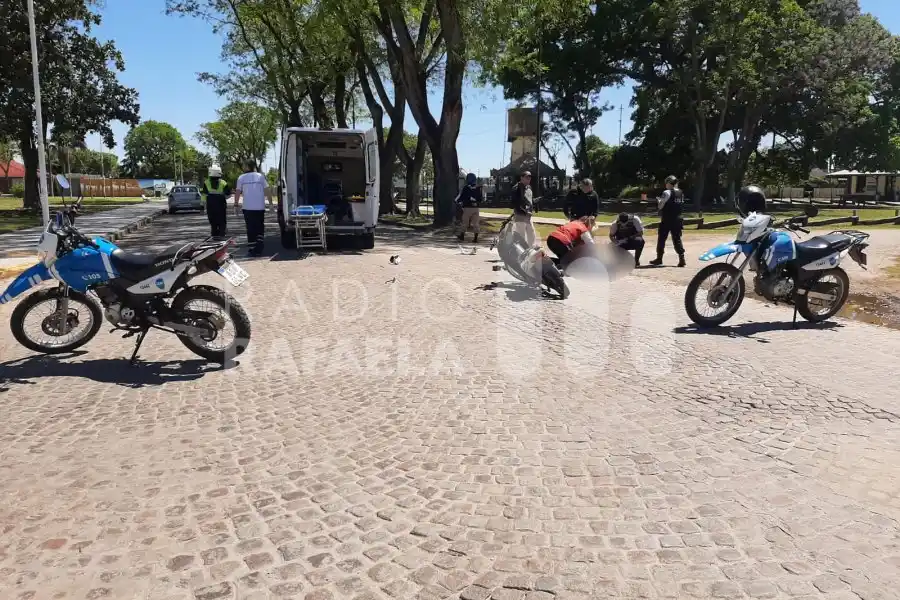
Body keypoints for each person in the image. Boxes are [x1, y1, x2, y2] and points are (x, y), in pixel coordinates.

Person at [650, 175, 686, 267]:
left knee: (662, 239)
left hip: (667, 219)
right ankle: (682, 259)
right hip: (678, 219)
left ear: (669, 183)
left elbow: (660, 206)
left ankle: (659, 259)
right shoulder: (681, 192)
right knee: (677, 239)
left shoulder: (666, 192)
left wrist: (659, 201)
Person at [234, 160, 268, 256]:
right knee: (260, 227)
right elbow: (267, 190)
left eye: (245, 165)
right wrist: (270, 204)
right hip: (260, 208)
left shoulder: (241, 178)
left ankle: (252, 249)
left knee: (250, 228)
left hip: (248, 208)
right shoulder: (260, 176)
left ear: (248, 167)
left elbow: (237, 192)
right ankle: (259, 248)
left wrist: (236, 205)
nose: (244, 167)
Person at [201, 164, 231, 239]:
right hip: (221, 205)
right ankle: (221, 237)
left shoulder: (206, 182)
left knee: (213, 223)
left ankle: (214, 237)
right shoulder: (223, 183)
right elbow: (228, 195)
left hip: (210, 206)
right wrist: (222, 196)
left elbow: (204, 195)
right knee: (222, 223)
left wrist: (203, 206)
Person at [510, 170, 538, 247]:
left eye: (529, 178)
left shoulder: (529, 188)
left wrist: (535, 204)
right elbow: (516, 203)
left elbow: (530, 200)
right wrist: (525, 211)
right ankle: (520, 251)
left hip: (528, 215)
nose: (528, 179)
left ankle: (530, 249)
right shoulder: (516, 188)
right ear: (521, 178)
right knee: (521, 234)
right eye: (526, 177)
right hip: (520, 215)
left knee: (531, 233)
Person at [456, 173, 483, 242]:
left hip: (467, 207)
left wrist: (457, 201)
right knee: (476, 223)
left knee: (465, 222)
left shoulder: (466, 188)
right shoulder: (478, 188)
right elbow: (481, 199)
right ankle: (475, 238)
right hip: (476, 208)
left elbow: (461, 197)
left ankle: (462, 236)